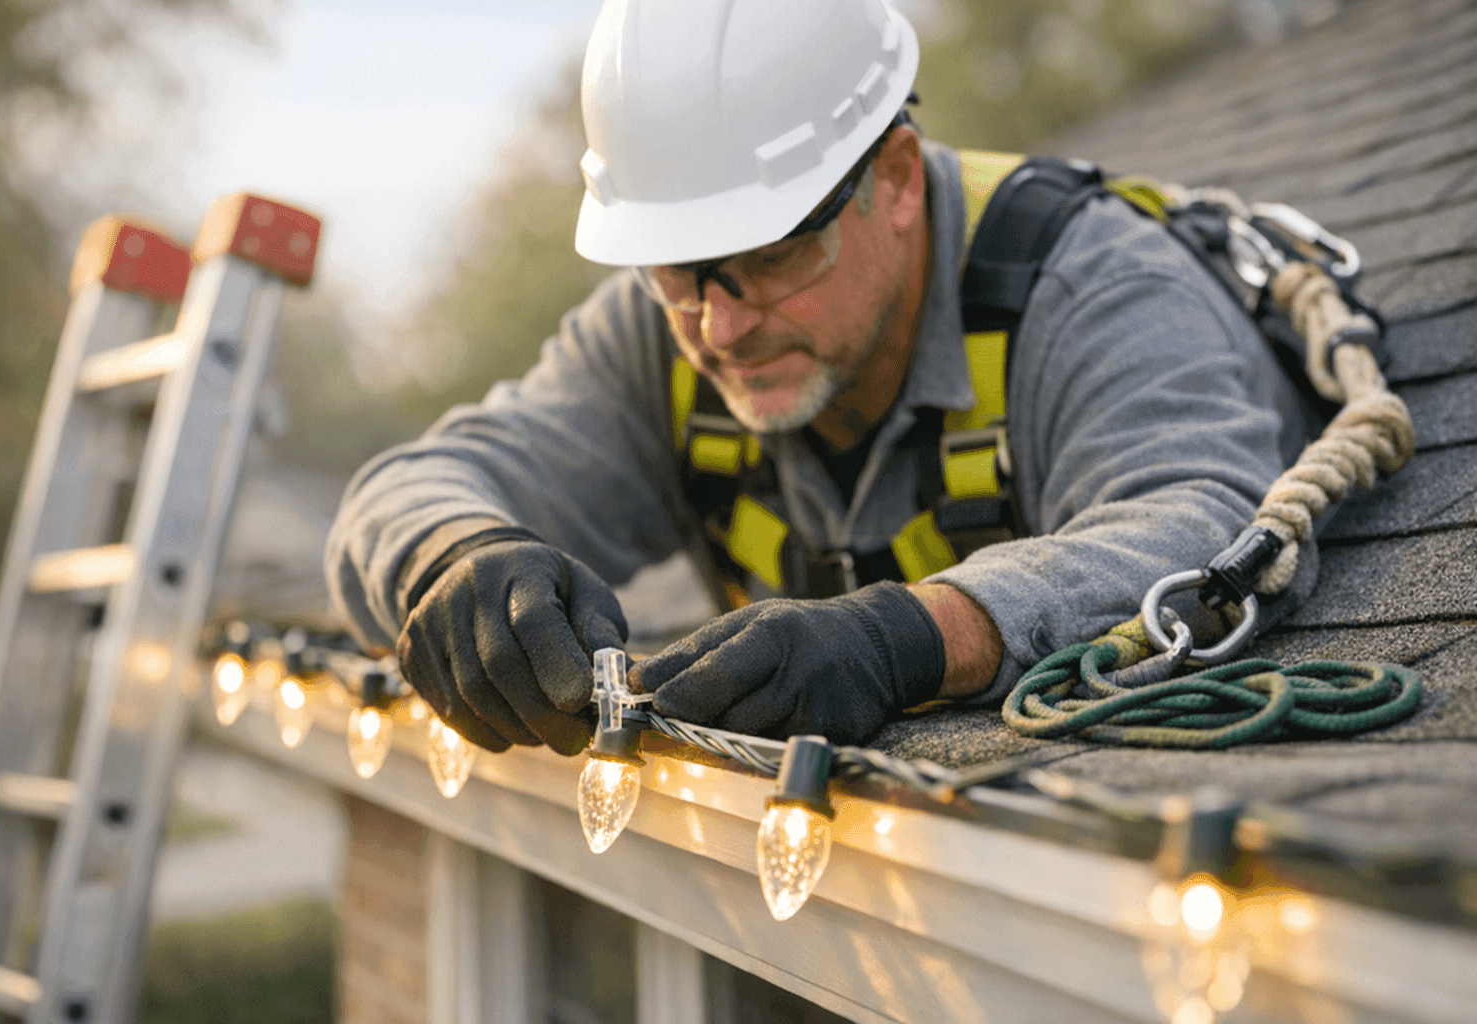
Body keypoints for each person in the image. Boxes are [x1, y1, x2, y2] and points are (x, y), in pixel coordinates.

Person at [325, 0, 1318, 756]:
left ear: (891, 179)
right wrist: (454, 557)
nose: (719, 326)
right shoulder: (656, 328)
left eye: (766, 257)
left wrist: (912, 637)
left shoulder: (1089, 283)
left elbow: (1208, 523)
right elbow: (401, 490)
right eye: (678, 267)